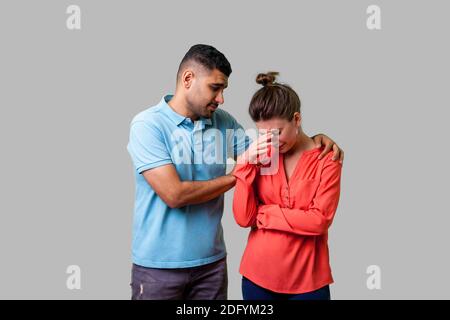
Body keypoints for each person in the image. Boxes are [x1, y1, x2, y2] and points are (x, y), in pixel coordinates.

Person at [127, 45, 344, 300]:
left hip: (212, 265)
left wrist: (317, 138)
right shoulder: (148, 125)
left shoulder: (224, 123)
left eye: (223, 90)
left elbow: (272, 147)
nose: (221, 99)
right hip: (158, 267)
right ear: (188, 79)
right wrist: (238, 174)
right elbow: (174, 194)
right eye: (215, 88)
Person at [232, 72, 342, 300]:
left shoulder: (326, 158)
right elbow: (244, 218)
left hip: (308, 282)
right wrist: (245, 163)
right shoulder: (261, 155)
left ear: (297, 119)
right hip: (256, 278)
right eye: (263, 133)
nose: (271, 139)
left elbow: (319, 221)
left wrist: (266, 213)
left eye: (277, 132)